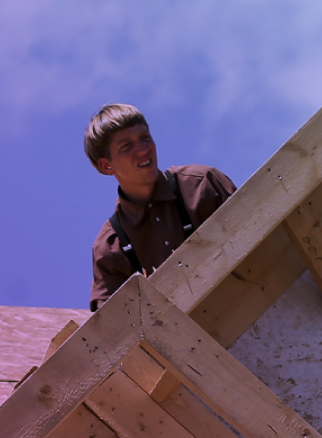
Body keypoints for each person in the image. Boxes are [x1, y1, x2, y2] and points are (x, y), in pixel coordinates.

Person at [85, 104, 236, 311]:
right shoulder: (111, 247)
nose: (143, 149)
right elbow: (111, 327)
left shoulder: (202, 183)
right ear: (107, 165)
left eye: (145, 137)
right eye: (126, 145)